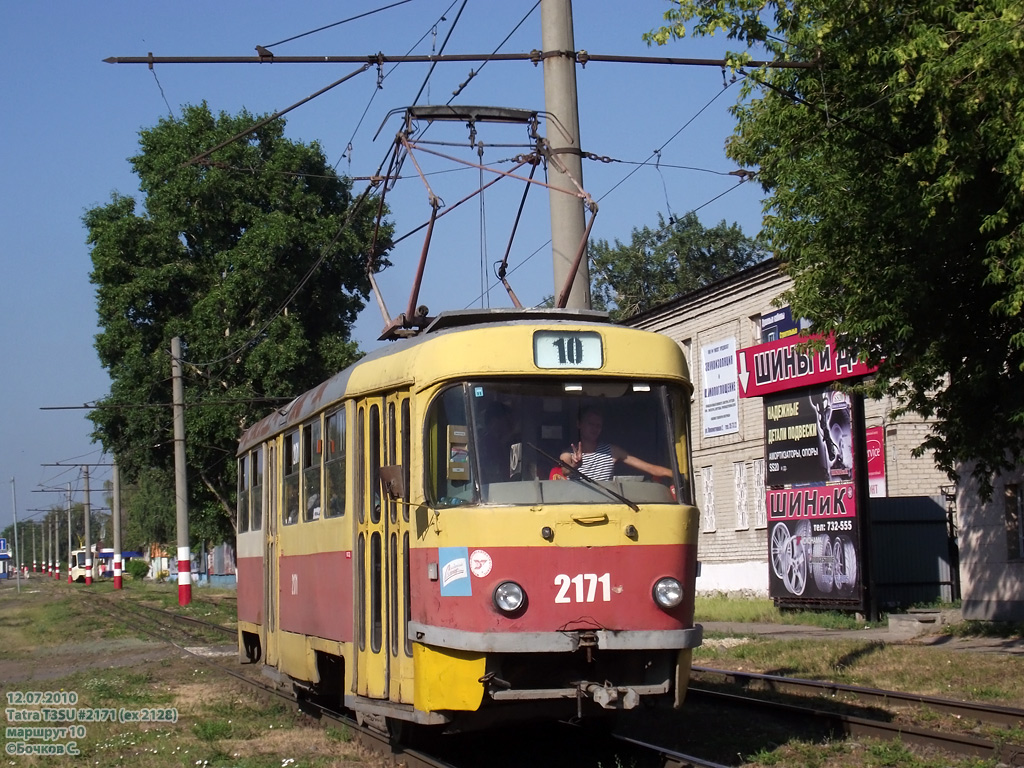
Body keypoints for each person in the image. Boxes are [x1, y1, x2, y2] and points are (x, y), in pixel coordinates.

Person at [559, 406, 673, 481]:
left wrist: (677, 475)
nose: (595, 428)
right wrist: (575, 465)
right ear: (579, 424)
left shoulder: (611, 451)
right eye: (591, 424)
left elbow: (649, 468)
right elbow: (565, 470)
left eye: (598, 425)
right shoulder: (568, 454)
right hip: (577, 505)